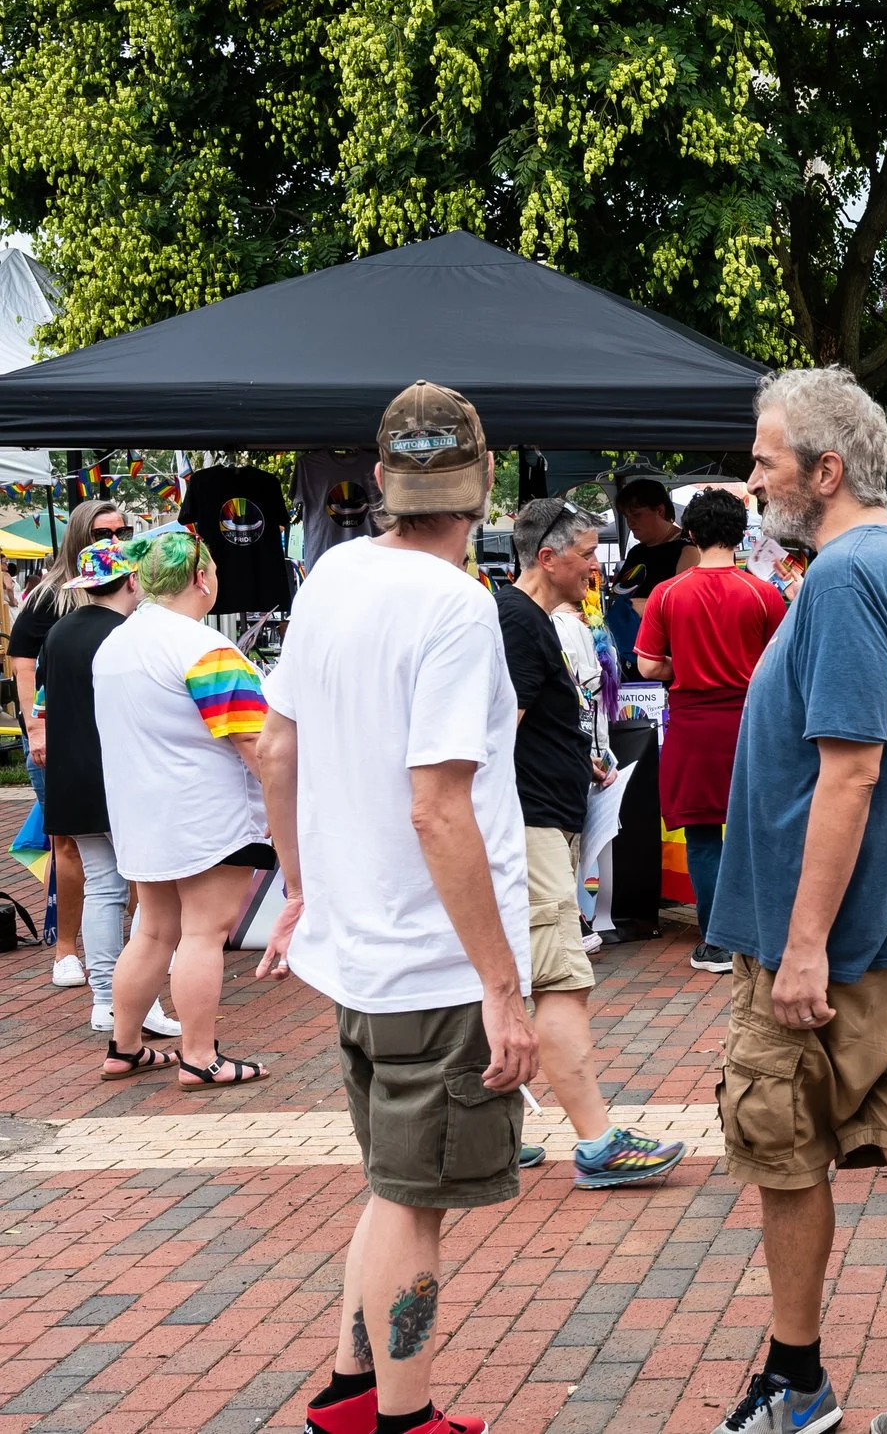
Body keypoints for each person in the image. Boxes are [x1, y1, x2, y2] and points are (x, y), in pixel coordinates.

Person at [706, 367, 887, 1434]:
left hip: (825, 941)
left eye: (767, 457)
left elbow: (851, 768)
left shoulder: (845, 581)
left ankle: (796, 1377)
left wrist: (807, 943)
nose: (753, 474)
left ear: (825, 470)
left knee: (786, 1149)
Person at [258, 381, 538, 1434]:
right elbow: (440, 809)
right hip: (435, 958)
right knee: (414, 1199)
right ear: (486, 483)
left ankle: (349, 1384)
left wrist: (298, 890)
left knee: (391, 1182)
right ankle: (403, 1416)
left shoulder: (332, 574)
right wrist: (502, 986)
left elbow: (276, 746)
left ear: (380, 481)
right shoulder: (459, 606)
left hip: (362, 945)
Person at [498, 498, 687, 1188]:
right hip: (532, 825)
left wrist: (580, 757)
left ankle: (492, 1134)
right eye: (584, 552)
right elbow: (499, 733)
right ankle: (597, 1142)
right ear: (547, 557)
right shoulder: (521, 623)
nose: (594, 566)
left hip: (543, 817)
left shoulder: (527, 620)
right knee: (560, 979)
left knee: (514, 980)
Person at [91, 531, 273, 1089]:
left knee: (151, 932)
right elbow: (259, 745)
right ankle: (200, 1055)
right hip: (209, 816)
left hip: (139, 813)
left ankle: (125, 1048)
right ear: (202, 579)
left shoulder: (115, 645)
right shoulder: (204, 649)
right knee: (202, 934)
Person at [634, 487, 788, 972]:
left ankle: (716, 940)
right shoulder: (762, 593)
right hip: (751, 726)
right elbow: (781, 664)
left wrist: (685, 666)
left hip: (692, 729)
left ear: (693, 534)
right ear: (742, 534)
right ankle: (761, 933)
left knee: (703, 836)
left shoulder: (667, 593)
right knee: (756, 832)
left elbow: (646, 666)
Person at [33, 539, 176, 1038]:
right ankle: (139, 1001)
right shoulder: (127, 635)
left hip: (71, 778)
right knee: (151, 894)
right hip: (121, 776)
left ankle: (104, 1001)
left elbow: (47, 703)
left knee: (103, 889)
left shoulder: (58, 633)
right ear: (132, 580)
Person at [12, 497, 131, 990]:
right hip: (58, 732)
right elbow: (21, 662)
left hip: (110, 732)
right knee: (69, 841)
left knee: (122, 849)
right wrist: (36, 728)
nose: (115, 541)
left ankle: (133, 949)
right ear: (80, 537)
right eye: (105, 533)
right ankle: (65, 948)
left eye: (122, 532)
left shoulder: (133, 589)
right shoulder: (50, 597)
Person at [607, 477, 696, 669]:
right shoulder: (637, 552)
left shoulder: (687, 549)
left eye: (636, 515)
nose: (630, 523)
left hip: (664, 657)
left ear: (660, 510)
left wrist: (648, 605)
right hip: (630, 649)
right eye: (626, 516)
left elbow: (687, 606)